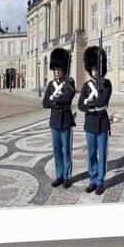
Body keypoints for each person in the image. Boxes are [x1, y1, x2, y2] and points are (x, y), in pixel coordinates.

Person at [78, 46, 112, 195]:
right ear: (89, 69)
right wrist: (90, 106)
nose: (95, 71)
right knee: (91, 153)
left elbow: (103, 102)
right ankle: (92, 179)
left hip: (102, 123)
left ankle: (100, 181)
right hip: (90, 123)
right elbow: (80, 105)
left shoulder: (106, 83)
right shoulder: (86, 86)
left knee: (102, 154)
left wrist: (89, 102)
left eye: (97, 68)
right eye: (93, 69)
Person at [42, 48, 76, 189]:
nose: (57, 71)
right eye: (55, 69)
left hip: (66, 120)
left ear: (64, 70)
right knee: (56, 150)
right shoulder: (51, 85)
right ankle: (59, 175)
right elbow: (45, 103)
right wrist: (56, 101)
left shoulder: (69, 82)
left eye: (59, 69)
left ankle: (67, 176)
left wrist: (55, 100)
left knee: (66, 150)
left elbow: (68, 97)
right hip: (55, 121)